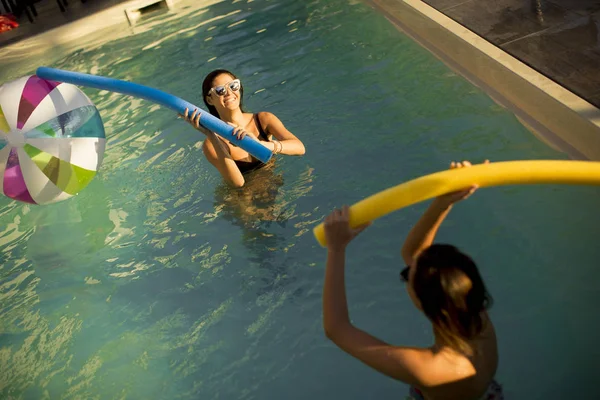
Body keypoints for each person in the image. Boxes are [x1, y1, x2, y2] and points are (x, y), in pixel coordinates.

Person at [322, 160, 504, 400]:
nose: (408, 265)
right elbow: (413, 254)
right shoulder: (476, 318)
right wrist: (443, 201)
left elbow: (337, 329)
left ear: (421, 301)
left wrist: (336, 248)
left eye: (407, 276)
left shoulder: (428, 368)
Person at [180, 69, 305, 188]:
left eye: (233, 86)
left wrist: (260, 144)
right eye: (220, 90)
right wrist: (211, 135)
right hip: (244, 198)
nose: (229, 93)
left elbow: (300, 148)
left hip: (274, 182)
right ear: (210, 99)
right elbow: (238, 183)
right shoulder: (212, 143)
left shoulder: (262, 120)